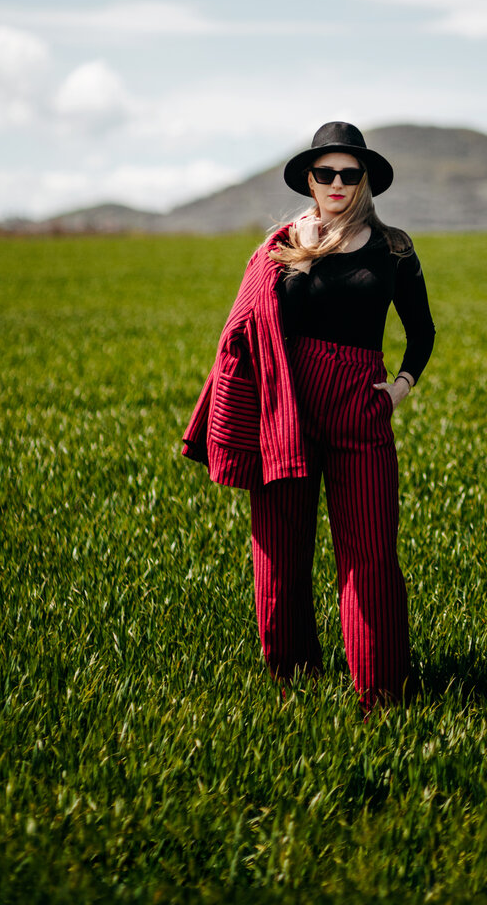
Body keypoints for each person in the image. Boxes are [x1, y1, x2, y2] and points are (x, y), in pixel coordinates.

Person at [182, 121, 435, 713]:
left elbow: (421, 331)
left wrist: (398, 390)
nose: (337, 183)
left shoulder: (394, 247)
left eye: (349, 173)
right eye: (326, 173)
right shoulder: (282, 245)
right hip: (285, 409)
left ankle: (380, 694)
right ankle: (293, 683)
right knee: (280, 550)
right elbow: (255, 329)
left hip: (360, 410)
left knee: (371, 554)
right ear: (310, 180)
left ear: (364, 179)